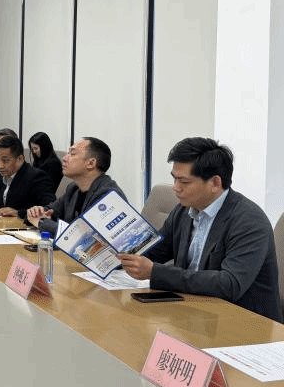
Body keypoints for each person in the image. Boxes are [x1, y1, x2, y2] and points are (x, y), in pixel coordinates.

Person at [119, 137, 282, 322]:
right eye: (174, 179)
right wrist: (118, 251)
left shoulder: (249, 221)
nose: (175, 188)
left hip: (243, 322)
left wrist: (155, 272)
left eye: (184, 182)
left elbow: (229, 284)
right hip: (193, 312)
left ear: (215, 183)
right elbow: (155, 251)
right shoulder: (183, 210)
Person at [27, 137, 125, 236]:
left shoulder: (108, 195)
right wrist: (36, 212)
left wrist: (41, 222)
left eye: (72, 154)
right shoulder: (73, 189)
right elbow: (50, 210)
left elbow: (84, 237)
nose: (64, 158)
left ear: (91, 163)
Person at [0, 136, 54, 218]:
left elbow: (50, 209)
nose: (0, 166)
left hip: (23, 226)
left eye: (5, 160)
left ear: (20, 159)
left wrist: (19, 213)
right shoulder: (1, 175)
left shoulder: (37, 177)